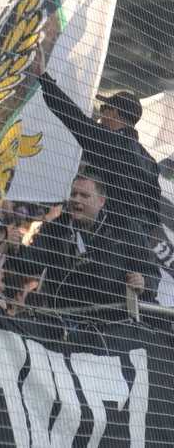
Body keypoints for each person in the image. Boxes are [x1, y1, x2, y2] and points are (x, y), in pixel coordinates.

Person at [32, 45, 161, 234]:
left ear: (113, 112)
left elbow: (72, 116)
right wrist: (138, 234)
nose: (100, 116)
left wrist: (43, 76)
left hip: (108, 235)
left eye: (103, 109)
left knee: (52, 235)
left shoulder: (107, 140)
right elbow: (154, 214)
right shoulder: (150, 162)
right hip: (137, 244)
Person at [23, 173, 160, 316]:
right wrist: (16, 248)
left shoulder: (125, 228)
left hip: (116, 321)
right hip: (69, 320)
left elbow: (151, 271)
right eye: (73, 194)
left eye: (84, 195)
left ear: (101, 201)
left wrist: (143, 283)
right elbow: (30, 263)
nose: (76, 200)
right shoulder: (56, 229)